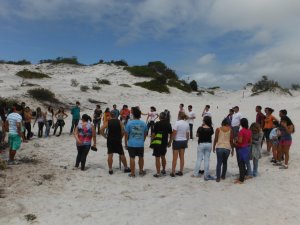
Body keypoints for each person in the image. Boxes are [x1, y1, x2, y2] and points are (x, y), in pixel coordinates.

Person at [125, 107, 148, 177]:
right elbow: (145, 133)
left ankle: (132, 173)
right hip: (140, 143)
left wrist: (126, 143)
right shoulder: (143, 123)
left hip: (131, 143)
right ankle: (141, 171)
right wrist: (143, 140)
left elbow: (126, 135)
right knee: (141, 157)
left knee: (132, 158)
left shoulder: (129, 123)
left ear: (134, 115)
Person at [151, 112, 173, 177]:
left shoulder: (157, 124)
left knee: (157, 157)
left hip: (157, 142)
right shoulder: (168, 124)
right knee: (163, 156)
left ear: (160, 117)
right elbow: (171, 134)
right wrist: (170, 142)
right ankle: (163, 169)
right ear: (165, 117)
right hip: (164, 142)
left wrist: (152, 142)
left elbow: (153, 134)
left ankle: (158, 173)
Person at [192, 116, 214, 180]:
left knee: (199, 159)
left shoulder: (200, 128)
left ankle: (195, 174)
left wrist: (202, 126)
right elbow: (211, 134)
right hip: (208, 144)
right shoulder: (211, 128)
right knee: (207, 160)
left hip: (201, 144)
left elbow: (197, 135)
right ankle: (206, 174)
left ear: (204, 121)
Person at [171, 112, 189, 177]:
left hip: (177, 141)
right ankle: (181, 171)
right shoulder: (186, 124)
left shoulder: (177, 123)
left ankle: (173, 172)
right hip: (183, 141)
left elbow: (174, 133)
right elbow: (187, 135)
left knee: (175, 158)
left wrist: (171, 140)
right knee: (182, 157)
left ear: (179, 116)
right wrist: (186, 142)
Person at [234, 118, 252, 184]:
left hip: (241, 148)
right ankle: (242, 176)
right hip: (246, 148)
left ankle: (241, 179)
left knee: (241, 163)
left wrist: (235, 142)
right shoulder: (249, 131)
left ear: (241, 123)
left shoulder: (241, 131)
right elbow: (250, 142)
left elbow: (240, 141)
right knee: (243, 163)